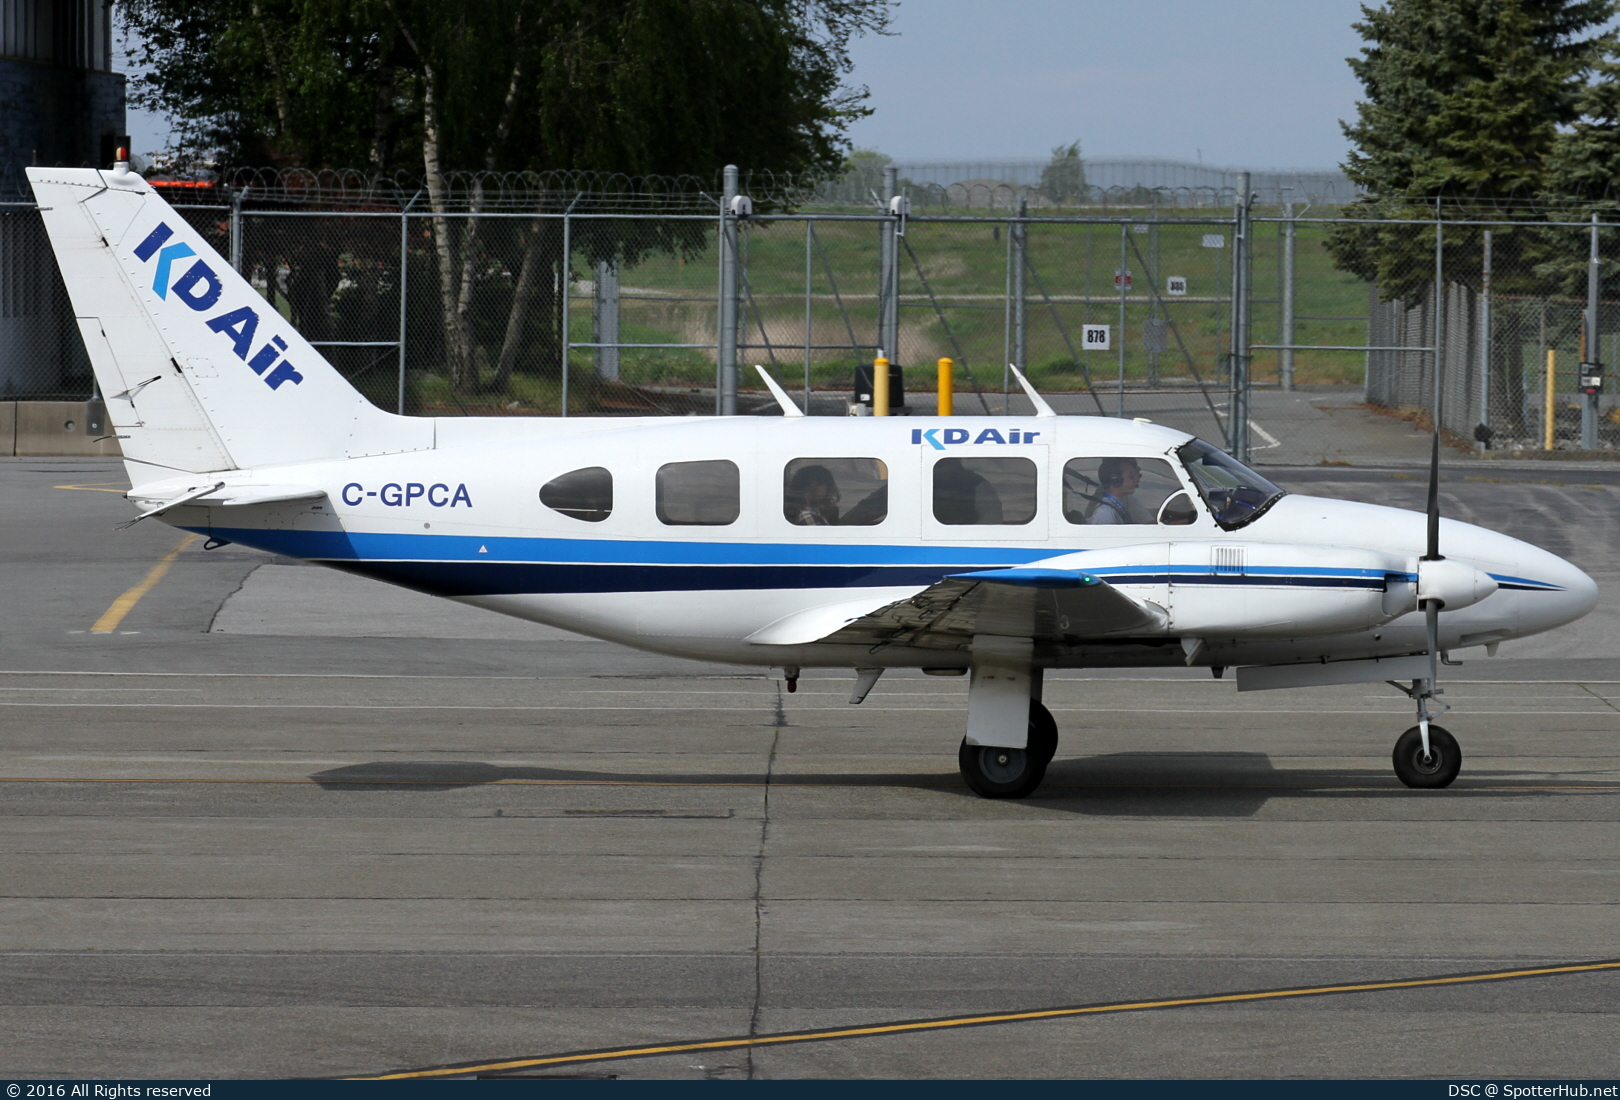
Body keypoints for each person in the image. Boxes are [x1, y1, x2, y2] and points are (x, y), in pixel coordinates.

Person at [1087, 457, 1145, 524]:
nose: (1136, 480)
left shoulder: (1115, 506)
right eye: (1131, 475)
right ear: (1116, 480)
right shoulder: (1107, 514)